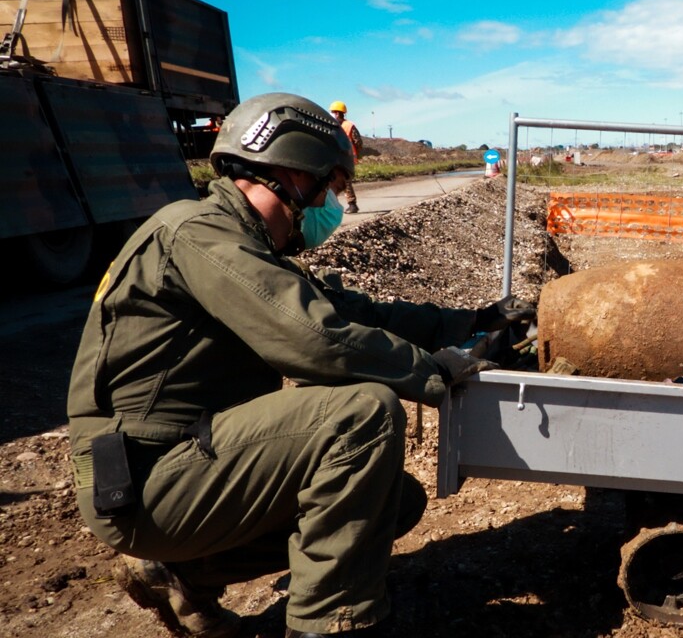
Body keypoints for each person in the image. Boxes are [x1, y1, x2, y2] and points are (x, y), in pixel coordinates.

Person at [67, 92, 535, 638]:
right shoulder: (197, 232)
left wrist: (471, 322)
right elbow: (316, 340)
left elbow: (352, 312)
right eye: (329, 187)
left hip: (186, 459)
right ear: (291, 173)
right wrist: (432, 370)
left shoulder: (244, 241)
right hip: (145, 479)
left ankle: (178, 573)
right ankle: (327, 626)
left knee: (391, 500)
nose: (330, 206)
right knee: (362, 415)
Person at [329, 100, 363, 214]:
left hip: (346, 158)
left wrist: (354, 154)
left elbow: (358, 142)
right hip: (336, 158)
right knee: (333, 181)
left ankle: (352, 205)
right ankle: (334, 206)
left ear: (338, 113)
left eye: (333, 112)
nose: (332, 115)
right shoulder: (334, 126)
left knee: (346, 181)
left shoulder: (348, 126)